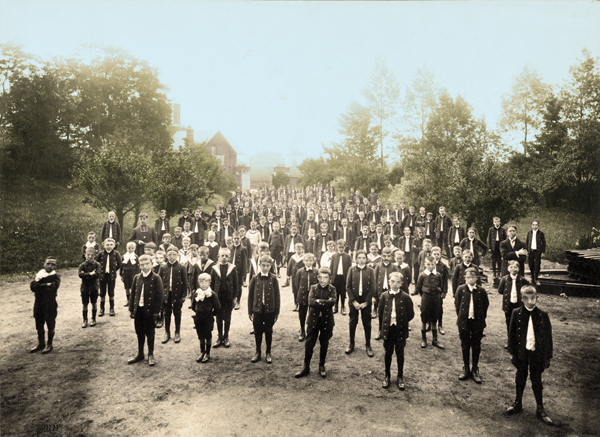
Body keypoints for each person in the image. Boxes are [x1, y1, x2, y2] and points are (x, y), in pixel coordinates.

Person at [506, 285, 554, 425]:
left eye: (533, 298)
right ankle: (518, 403)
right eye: (526, 298)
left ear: (537, 298)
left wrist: (547, 356)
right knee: (520, 376)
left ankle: (540, 408)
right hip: (521, 351)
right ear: (522, 298)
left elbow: (548, 338)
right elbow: (511, 334)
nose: (530, 301)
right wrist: (511, 352)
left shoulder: (543, 315)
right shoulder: (516, 313)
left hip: (536, 352)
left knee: (536, 379)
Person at [378, 272, 415, 390]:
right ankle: (387, 376)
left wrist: (402, 322)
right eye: (393, 281)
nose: (395, 284)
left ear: (401, 284)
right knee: (388, 353)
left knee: (400, 353)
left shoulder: (405, 297)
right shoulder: (384, 296)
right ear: (389, 282)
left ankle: (400, 376)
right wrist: (382, 328)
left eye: (398, 282)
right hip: (388, 329)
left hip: (400, 329)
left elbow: (411, 314)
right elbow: (380, 313)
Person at [128, 254, 164, 366]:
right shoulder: (137, 277)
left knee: (150, 333)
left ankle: (150, 354)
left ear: (152, 264)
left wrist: (156, 312)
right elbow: (133, 294)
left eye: (147, 264)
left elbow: (160, 296)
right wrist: (131, 309)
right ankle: (140, 354)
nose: (145, 266)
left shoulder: (156, 278)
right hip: (138, 310)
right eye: (142, 264)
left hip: (150, 311)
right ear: (139, 266)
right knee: (139, 332)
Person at [455, 267, 489, 383]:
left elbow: (485, 306)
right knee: (465, 344)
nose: (470, 279)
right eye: (468, 277)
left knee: (476, 345)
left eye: (473, 277)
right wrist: (462, 318)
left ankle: (475, 368)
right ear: (465, 278)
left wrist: (480, 319)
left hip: (477, 322)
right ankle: (466, 368)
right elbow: (457, 305)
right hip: (464, 322)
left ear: (477, 278)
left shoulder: (481, 291)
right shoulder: (460, 289)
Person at [248, 255, 280, 364]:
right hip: (257, 310)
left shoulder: (273, 278)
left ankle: (268, 352)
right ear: (259, 265)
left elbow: (277, 296)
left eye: (267, 265)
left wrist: (276, 311)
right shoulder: (254, 278)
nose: (265, 268)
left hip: (269, 310)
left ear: (271, 266)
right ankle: (258, 352)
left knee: (268, 331)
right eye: (263, 265)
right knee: (257, 331)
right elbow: (250, 296)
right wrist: (250, 311)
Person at [346, 250, 376, 357]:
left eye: (363, 258)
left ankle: (368, 345)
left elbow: (373, 288)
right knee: (353, 321)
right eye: (359, 258)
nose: (361, 260)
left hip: (365, 300)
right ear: (356, 259)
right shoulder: (351, 269)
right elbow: (348, 287)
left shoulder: (371, 270)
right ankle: (351, 344)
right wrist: (353, 301)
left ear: (366, 259)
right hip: (354, 300)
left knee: (367, 323)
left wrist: (367, 302)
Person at [30, 256, 61, 354]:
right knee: (39, 324)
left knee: (50, 324)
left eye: (53, 264)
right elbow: (33, 287)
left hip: (50, 304)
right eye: (48, 264)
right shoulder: (39, 275)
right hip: (39, 304)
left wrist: (40, 286)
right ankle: (41, 343)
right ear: (43, 264)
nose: (50, 266)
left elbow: (53, 287)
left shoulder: (56, 277)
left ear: (56, 266)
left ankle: (49, 344)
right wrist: (46, 285)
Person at [498, 260, 529, 348]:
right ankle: (510, 341)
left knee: (519, 322)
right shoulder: (504, 279)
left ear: (518, 269)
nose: (513, 269)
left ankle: (519, 341)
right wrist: (508, 294)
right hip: (508, 304)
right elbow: (500, 290)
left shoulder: (522, 279)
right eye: (511, 267)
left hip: (518, 304)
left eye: (515, 267)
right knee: (509, 323)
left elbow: (528, 288)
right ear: (508, 269)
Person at [211, 248, 238, 348]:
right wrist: (212, 298)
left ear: (229, 257)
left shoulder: (232, 268)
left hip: (228, 297)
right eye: (222, 256)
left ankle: (226, 336)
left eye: (226, 256)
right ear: (218, 257)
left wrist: (235, 297)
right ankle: (220, 336)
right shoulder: (214, 269)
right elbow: (212, 284)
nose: (224, 258)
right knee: (218, 317)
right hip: (218, 297)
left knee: (227, 317)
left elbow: (236, 284)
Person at [415, 256, 445, 349]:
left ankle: (435, 339)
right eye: (428, 264)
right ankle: (423, 338)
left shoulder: (438, 275)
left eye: (432, 264)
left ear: (435, 264)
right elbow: (419, 287)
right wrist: (424, 296)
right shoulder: (422, 275)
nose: (430, 266)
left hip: (436, 298)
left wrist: (437, 294)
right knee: (424, 317)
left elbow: (441, 286)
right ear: (425, 264)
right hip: (426, 298)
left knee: (434, 318)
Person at [191, 273, 221, 363]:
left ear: (210, 282)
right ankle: (202, 352)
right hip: (198, 317)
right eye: (201, 282)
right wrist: (198, 311)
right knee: (200, 334)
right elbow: (193, 306)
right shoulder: (197, 293)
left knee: (207, 335)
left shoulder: (212, 294)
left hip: (208, 317)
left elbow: (218, 307)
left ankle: (207, 353)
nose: (203, 284)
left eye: (206, 282)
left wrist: (211, 314)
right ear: (198, 283)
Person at [160, 248, 188, 344]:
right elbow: (159, 282)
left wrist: (183, 295)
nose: (172, 257)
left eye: (174, 255)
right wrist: (160, 295)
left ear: (177, 256)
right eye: (169, 255)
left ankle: (177, 332)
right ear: (166, 256)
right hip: (166, 294)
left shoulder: (181, 267)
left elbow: (185, 282)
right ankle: (167, 332)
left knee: (177, 312)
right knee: (167, 312)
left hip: (177, 294)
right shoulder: (163, 267)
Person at [374, 247, 399, 340]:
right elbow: (374, 280)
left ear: (391, 257)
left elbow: (397, 280)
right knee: (381, 312)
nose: (386, 258)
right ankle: (380, 330)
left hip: (390, 292)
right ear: (381, 256)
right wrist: (374, 295)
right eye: (384, 256)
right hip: (380, 292)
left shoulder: (394, 267)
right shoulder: (378, 266)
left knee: (390, 311)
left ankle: (390, 331)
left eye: (388, 256)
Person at [295, 253, 319, 342]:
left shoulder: (316, 271)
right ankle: (302, 330)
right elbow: (297, 284)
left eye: (310, 260)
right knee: (302, 313)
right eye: (306, 261)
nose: (308, 262)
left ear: (313, 261)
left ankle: (311, 330)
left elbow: (318, 284)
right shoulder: (300, 271)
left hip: (313, 296)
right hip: (303, 295)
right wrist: (299, 295)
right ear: (303, 261)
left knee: (313, 313)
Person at [96, 238, 122, 318]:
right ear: (103, 245)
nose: (109, 246)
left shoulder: (116, 253)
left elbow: (120, 264)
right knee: (102, 292)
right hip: (102, 275)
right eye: (107, 245)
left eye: (111, 245)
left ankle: (111, 308)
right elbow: (96, 263)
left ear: (114, 245)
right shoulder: (100, 254)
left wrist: (113, 270)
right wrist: (99, 271)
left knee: (111, 292)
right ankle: (102, 309)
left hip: (111, 276)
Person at [78, 248, 100, 328]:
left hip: (94, 286)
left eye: (92, 255)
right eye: (88, 255)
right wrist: (90, 274)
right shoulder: (82, 265)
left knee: (94, 303)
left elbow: (97, 274)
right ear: (85, 255)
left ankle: (93, 319)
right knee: (85, 304)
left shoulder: (97, 265)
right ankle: (85, 320)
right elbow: (80, 275)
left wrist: (86, 275)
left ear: (95, 255)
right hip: (85, 287)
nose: (90, 256)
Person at [330, 239, 352, 315]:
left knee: (343, 292)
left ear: (345, 247)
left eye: (342, 247)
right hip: (336, 277)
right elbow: (331, 267)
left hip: (343, 277)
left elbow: (349, 268)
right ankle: (335, 306)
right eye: (339, 247)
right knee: (335, 292)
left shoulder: (347, 256)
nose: (341, 249)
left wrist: (349, 278)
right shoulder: (334, 256)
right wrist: (331, 277)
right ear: (337, 247)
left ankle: (343, 306)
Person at [432, 247, 449, 335]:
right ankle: (429, 323)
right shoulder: (428, 264)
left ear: (441, 255)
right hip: (429, 290)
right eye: (434, 254)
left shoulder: (443, 266)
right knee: (429, 307)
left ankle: (440, 325)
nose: (436, 256)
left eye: (438, 254)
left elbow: (445, 279)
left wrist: (444, 291)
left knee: (439, 308)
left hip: (439, 291)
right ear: (431, 254)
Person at [230, 232, 248, 310]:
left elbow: (244, 262)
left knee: (238, 286)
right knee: (230, 285)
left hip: (239, 271)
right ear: (232, 239)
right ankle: (232, 300)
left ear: (240, 239)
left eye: (238, 238)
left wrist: (244, 274)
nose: (236, 240)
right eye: (235, 238)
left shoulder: (243, 249)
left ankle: (238, 301)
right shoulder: (230, 248)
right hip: (231, 270)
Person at [525, 220, 546, 285]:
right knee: (531, 264)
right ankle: (532, 276)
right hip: (530, 251)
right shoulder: (529, 233)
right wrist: (526, 250)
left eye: (536, 225)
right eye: (533, 225)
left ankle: (536, 278)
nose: (535, 226)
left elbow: (544, 242)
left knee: (537, 265)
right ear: (531, 226)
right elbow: (527, 241)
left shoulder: (541, 233)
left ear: (538, 226)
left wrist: (543, 251)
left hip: (537, 251)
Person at [120, 242, 140, 308]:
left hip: (133, 273)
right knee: (127, 287)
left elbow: (138, 267)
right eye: (129, 248)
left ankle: (133, 300)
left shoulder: (136, 257)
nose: (130, 249)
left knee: (133, 287)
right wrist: (121, 274)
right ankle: (128, 300)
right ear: (126, 248)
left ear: (135, 248)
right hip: (126, 273)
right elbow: (121, 266)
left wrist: (138, 274)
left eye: (132, 248)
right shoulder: (124, 256)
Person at [487, 217, 506, 283]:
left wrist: (504, 247)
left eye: (498, 221)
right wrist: (489, 247)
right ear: (493, 222)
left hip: (500, 246)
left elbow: (505, 239)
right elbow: (489, 238)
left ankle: (499, 273)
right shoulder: (491, 229)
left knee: (500, 260)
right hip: (493, 246)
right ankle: (494, 273)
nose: (496, 223)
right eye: (495, 221)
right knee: (493, 260)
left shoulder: (503, 229)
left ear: (500, 222)